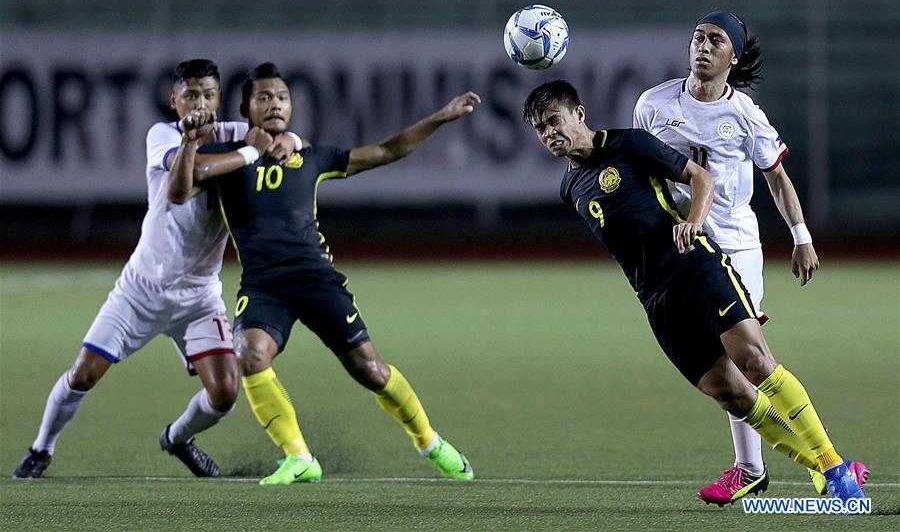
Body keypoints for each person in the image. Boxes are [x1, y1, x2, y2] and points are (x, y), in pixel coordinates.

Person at [523, 79, 866, 504]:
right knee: (731, 394)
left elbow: (700, 177)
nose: (549, 133)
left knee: (755, 361)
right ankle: (825, 467)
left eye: (554, 120)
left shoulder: (630, 144)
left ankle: (833, 468)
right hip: (655, 297)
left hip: (694, 264)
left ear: (579, 113)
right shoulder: (569, 188)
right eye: (539, 128)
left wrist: (695, 221)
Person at [185, 62, 480, 485]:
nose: (275, 104)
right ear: (246, 107)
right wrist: (226, 143)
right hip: (264, 284)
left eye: (282, 97)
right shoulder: (226, 159)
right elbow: (189, 177)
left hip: (316, 278)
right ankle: (298, 456)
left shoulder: (311, 156)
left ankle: (430, 441)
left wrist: (439, 118)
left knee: (371, 370)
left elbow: (385, 151)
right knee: (249, 354)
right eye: (264, 97)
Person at [11, 59, 296, 479]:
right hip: (141, 289)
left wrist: (289, 138)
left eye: (208, 95)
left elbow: (286, 140)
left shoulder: (233, 134)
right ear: (174, 100)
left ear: (220, 98)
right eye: (191, 96)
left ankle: (178, 438)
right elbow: (185, 181)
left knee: (225, 393)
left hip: (199, 296)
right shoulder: (162, 135)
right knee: (84, 374)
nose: (200, 104)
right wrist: (231, 147)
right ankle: (41, 448)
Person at [632, 11, 868, 504]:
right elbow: (643, 173)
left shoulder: (746, 115)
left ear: (732, 57)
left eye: (714, 40)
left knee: (746, 360)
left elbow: (776, 178)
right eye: (697, 36)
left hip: (734, 248)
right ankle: (805, 464)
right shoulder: (653, 105)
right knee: (726, 371)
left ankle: (767, 467)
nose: (702, 45)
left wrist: (801, 235)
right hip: (682, 253)